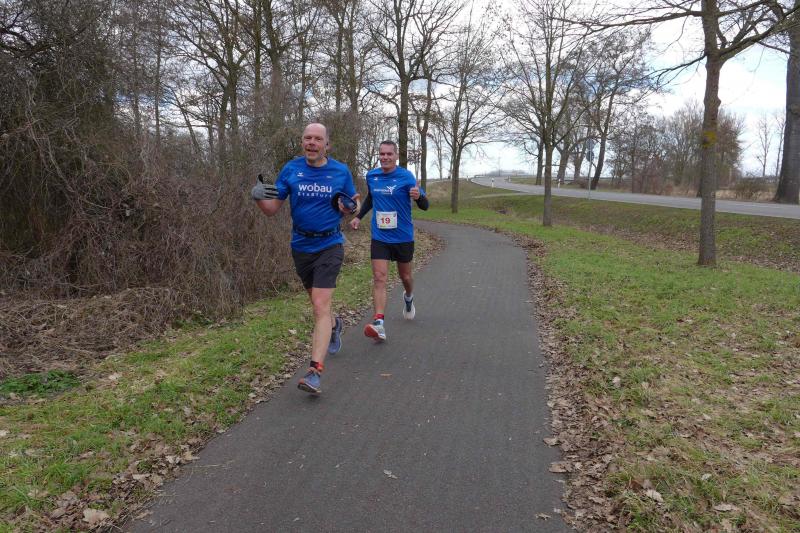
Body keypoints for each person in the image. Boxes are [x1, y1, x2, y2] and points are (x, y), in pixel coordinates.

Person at [251, 122, 360, 395]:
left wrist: (350, 207)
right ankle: (335, 325)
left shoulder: (340, 171)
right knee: (318, 304)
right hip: (301, 246)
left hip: (330, 244)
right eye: (307, 138)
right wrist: (259, 197)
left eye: (317, 139)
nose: (311, 142)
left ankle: (314, 372)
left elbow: (354, 203)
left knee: (320, 305)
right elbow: (271, 209)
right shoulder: (291, 169)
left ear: (327, 145)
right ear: (302, 142)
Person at [349, 140, 428, 341]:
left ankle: (408, 297)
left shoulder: (406, 176)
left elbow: (425, 205)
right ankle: (379, 323)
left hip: (403, 236)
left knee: (405, 277)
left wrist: (418, 197)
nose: (385, 157)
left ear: (395, 156)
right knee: (379, 277)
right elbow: (371, 199)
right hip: (380, 236)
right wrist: (359, 217)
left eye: (389, 154)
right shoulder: (372, 176)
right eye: (382, 154)